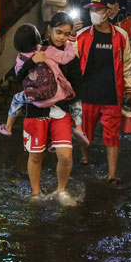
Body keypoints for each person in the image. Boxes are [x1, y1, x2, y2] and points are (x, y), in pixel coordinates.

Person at [12, 12, 86, 204]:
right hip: (36, 112)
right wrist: (32, 62)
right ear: (49, 30)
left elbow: (78, 86)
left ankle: (61, 190)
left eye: (66, 34)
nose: (61, 37)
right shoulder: (33, 50)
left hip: (61, 112)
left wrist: (68, 106)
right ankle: (36, 193)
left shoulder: (70, 57)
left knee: (66, 157)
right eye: (58, 32)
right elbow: (18, 79)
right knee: (36, 155)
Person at [74, 0, 131, 183]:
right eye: (92, 9)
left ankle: (111, 174)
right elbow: (69, 60)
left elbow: (127, 63)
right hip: (87, 94)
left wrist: (129, 88)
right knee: (84, 133)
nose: (94, 13)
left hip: (111, 95)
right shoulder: (81, 35)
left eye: (98, 9)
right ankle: (85, 157)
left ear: (109, 11)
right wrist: (69, 37)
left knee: (112, 135)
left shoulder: (121, 36)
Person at [0, 22, 82, 141]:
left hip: (34, 100)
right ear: (37, 38)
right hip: (56, 96)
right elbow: (67, 57)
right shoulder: (48, 50)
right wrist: (69, 44)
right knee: (74, 98)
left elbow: (20, 78)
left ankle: (8, 127)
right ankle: (78, 127)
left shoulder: (20, 59)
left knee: (16, 99)